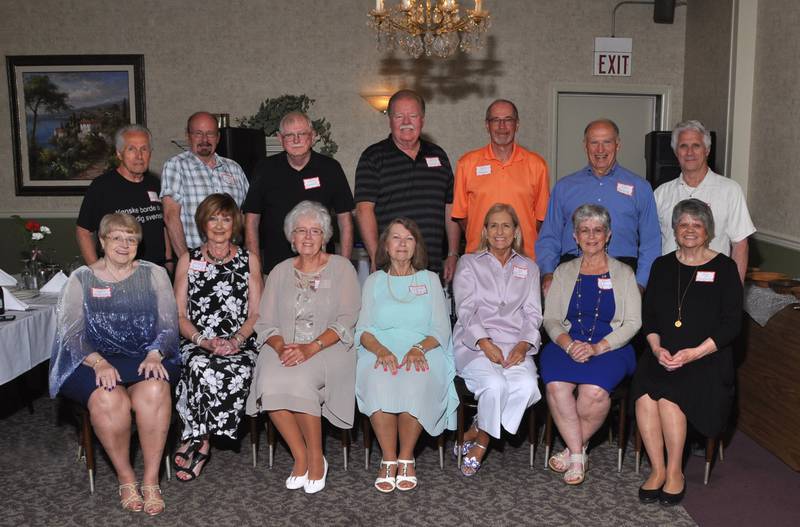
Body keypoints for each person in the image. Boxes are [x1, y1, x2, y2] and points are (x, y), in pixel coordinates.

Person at [50, 213, 179, 516]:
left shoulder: (154, 273)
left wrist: (155, 353)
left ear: (138, 243)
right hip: (92, 358)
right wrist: (98, 363)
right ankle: (126, 478)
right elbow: (70, 334)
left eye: (131, 238)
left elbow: (169, 325)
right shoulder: (81, 278)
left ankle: (150, 480)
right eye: (117, 237)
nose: (124, 244)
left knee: (155, 390)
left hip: (145, 355)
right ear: (103, 240)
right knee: (110, 399)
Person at [632, 199, 742, 506]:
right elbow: (650, 316)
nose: (690, 230)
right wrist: (656, 348)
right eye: (683, 224)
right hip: (663, 354)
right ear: (675, 230)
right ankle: (657, 470)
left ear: (708, 231)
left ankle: (675, 472)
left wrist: (693, 353)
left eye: (697, 225)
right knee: (643, 394)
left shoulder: (724, 268)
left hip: (707, 358)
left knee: (668, 396)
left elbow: (732, 325)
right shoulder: (662, 266)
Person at [246, 201, 361, 494]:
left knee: (300, 380)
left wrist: (310, 348)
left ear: (325, 237)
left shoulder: (342, 267)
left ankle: (316, 458)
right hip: (284, 345)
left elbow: (348, 318)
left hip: (329, 346)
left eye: (315, 231)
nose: (308, 237)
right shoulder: (280, 271)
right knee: (268, 382)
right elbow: (264, 320)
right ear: (291, 237)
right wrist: (281, 346)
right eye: (301, 231)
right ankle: (301, 455)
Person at [540, 204, 641, 485]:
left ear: (608, 235)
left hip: (611, 346)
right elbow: (551, 319)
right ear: (575, 236)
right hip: (567, 343)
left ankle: (573, 452)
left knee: (593, 392)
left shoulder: (624, 273)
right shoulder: (563, 271)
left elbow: (633, 323)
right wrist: (570, 345)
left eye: (597, 230)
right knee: (557, 386)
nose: (591, 236)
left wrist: (597, 348)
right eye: (584, 230)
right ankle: (578, 453)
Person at [355, 218, 458, 493]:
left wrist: (419, 348)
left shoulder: (430, 279)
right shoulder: (375, 281)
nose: (402, 244)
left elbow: (440, 328)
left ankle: (406, 456)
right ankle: (388, 458)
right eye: (396, 238)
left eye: (409, 238)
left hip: (424, 346)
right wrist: (380, 350)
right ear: (385, 246)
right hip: (380, 345)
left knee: (416, 379)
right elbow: (363, 329)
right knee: (378, 378)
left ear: (417, 246)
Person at [172, 194, 261, 481]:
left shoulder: (250, 260)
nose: (220, 225)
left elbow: (256, 315)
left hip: (241, 341)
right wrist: (202, 341)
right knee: (199, 365)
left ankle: (196, 437)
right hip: (197, 340)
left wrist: (235, 341)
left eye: (226, 218)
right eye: (213, 218)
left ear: (235, 222)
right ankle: (203, 440)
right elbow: (179, 315)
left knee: (239, 368)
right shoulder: (188, 259)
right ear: (202, 222)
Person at [452, 203, 543, 476]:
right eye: (493, 225)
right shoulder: (468, 263)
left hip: (515, 344)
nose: (499, 231)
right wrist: (484, 342)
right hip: (474, 343)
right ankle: (481, 445)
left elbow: (533, 313)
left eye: (506, 225)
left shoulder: (529, 267)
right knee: (494, 385)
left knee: (527, 386)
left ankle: (480, 429)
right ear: (485, 231)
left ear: (516, 231)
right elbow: (465, 310)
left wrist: (524, 344)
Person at [536, 119, 660, 294]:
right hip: (571, 273)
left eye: (607, 142)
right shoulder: (564, 187)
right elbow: (549, 237)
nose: (600, 150)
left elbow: (651, 243)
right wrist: (548, 274)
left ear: (618, 145)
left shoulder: (640, 188)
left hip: (623, 276)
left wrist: (640, 284)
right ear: (585, 146)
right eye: (594, 142)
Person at [354, 89, 461, 281]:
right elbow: (364, 211)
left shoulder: (439, 155)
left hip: (432, 266)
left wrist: (453, 253)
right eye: (399, 116)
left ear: (422, 120)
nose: (406, 122)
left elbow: (451, 206)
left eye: (412, 115)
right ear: (390, 120)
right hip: (390, 267)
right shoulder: (372, 157)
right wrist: (375, 257)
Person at [243, 111, 354, 275]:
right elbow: (251, 221)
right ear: (280, 139)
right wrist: (255, 270)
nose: (296, 140)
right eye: (289, 135)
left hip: (322, 270)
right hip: (275, 270)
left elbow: (345, 221)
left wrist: (344, 268)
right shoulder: (265, 169)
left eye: (302, 134)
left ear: (313, 136)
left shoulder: (330, 168)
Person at [654, 120, 755, 282]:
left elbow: (740, 245)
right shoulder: (661, 194)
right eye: (683, 146)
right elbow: (652, 244)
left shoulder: (730, 190)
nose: (689, 152)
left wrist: (735, 291)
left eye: (696, 145)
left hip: (714, 284)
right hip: (670, 282)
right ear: (675, 152)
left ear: (707, 150)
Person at [452, 99, 550, 258]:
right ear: (487, 125)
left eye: (508, 120)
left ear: (517, 125)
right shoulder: (466, 164)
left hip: (524, 258)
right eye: (495, 120)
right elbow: (462, 217)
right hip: (478, 256)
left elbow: (541, 219)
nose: (502, 126)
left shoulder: (537, 165)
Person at [76, 124, 170, 268]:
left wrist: (168, 263)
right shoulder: (101, 187)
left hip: (156, 272)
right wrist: (96, 271)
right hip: (118, 274)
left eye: (144, 149)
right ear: (119, 154)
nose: (139, 156)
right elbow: (83, 231)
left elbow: (163, 227)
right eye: (131, 149)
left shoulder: (155, 183)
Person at [161, 111, 249, 258]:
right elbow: (171, 216)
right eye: (198, 133)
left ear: (218, 137)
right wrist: (186, 260)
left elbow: (246, 214)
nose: (204, 139)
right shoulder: (176, 166)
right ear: (188, 136)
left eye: (210, 134)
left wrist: (246, 255)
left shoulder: (234, 168)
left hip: (232, 256)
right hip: (194, 255)